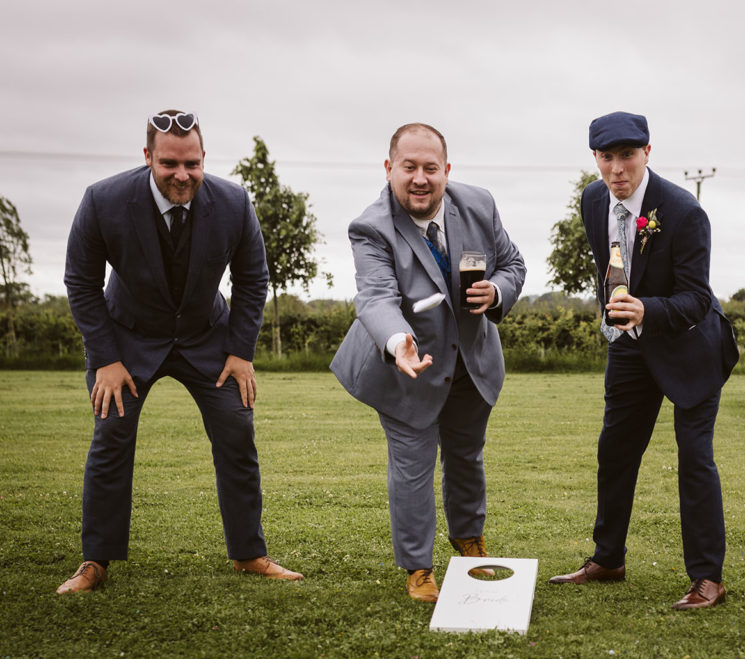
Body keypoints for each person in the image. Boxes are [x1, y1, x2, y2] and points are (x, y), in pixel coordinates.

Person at [59, 109, 302, 594]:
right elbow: (80, 283)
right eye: (169, 163)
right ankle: (95, 562)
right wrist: (106, 358)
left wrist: (239, 351)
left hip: (207, 337)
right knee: (111, 437)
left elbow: (253, 279)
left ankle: (249, 554)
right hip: (125, 339)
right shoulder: (103, 200)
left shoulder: (233, 202)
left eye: (192, 163)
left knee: (237, 430)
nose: (182, 175)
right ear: (148, 156)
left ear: (204, 158)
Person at [548, 112, 738, 609]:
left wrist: (646, 309)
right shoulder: (592, 199)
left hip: (692, 346)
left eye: (627, 156)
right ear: (595, 158)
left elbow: (697, 298)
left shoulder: (683, 211)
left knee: (695, 459)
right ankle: (608, 558)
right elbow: (606, 265)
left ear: (647, 154)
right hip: (630, 346)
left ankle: (708, 579)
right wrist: (616, 315)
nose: (616, 170)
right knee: (615, 451)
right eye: (606, 158)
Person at [330, 123, 526, 603]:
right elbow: (376, 298)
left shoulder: (479, 204)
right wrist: (398, 343)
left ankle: (469, 543)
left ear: (446, 171)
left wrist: (497, 290)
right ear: (389, 168)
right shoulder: (370, 226)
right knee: (412, 467)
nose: (420, 178)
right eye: (409, 167)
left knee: (466, 457)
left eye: (430, 168)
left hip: (471, 364)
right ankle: (419, 569)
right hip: (407, 365)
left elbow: (514, 264)